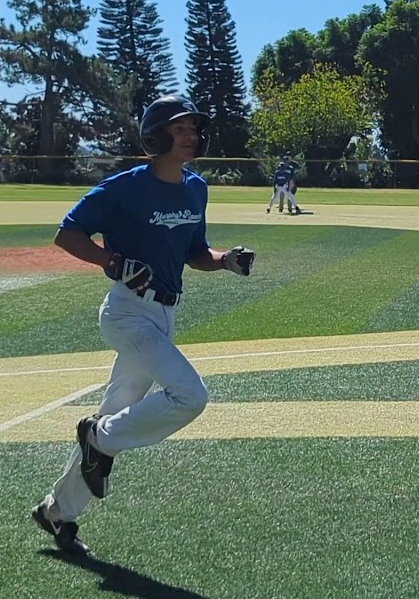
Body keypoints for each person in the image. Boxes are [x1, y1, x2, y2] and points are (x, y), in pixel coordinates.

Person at [31, 96, 256, 556]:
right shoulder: (123, 188)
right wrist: (112, 261)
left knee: (115, 410)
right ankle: (99, 440)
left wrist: (227, 260)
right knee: (190, 396)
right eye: (180, 128)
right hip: (127, 313)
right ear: (155, 135)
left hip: (163, 316)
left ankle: (57, 512)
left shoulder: (196, 188)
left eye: (195, 127)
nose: (191, 135)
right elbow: (68, 233)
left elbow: (197, 251)